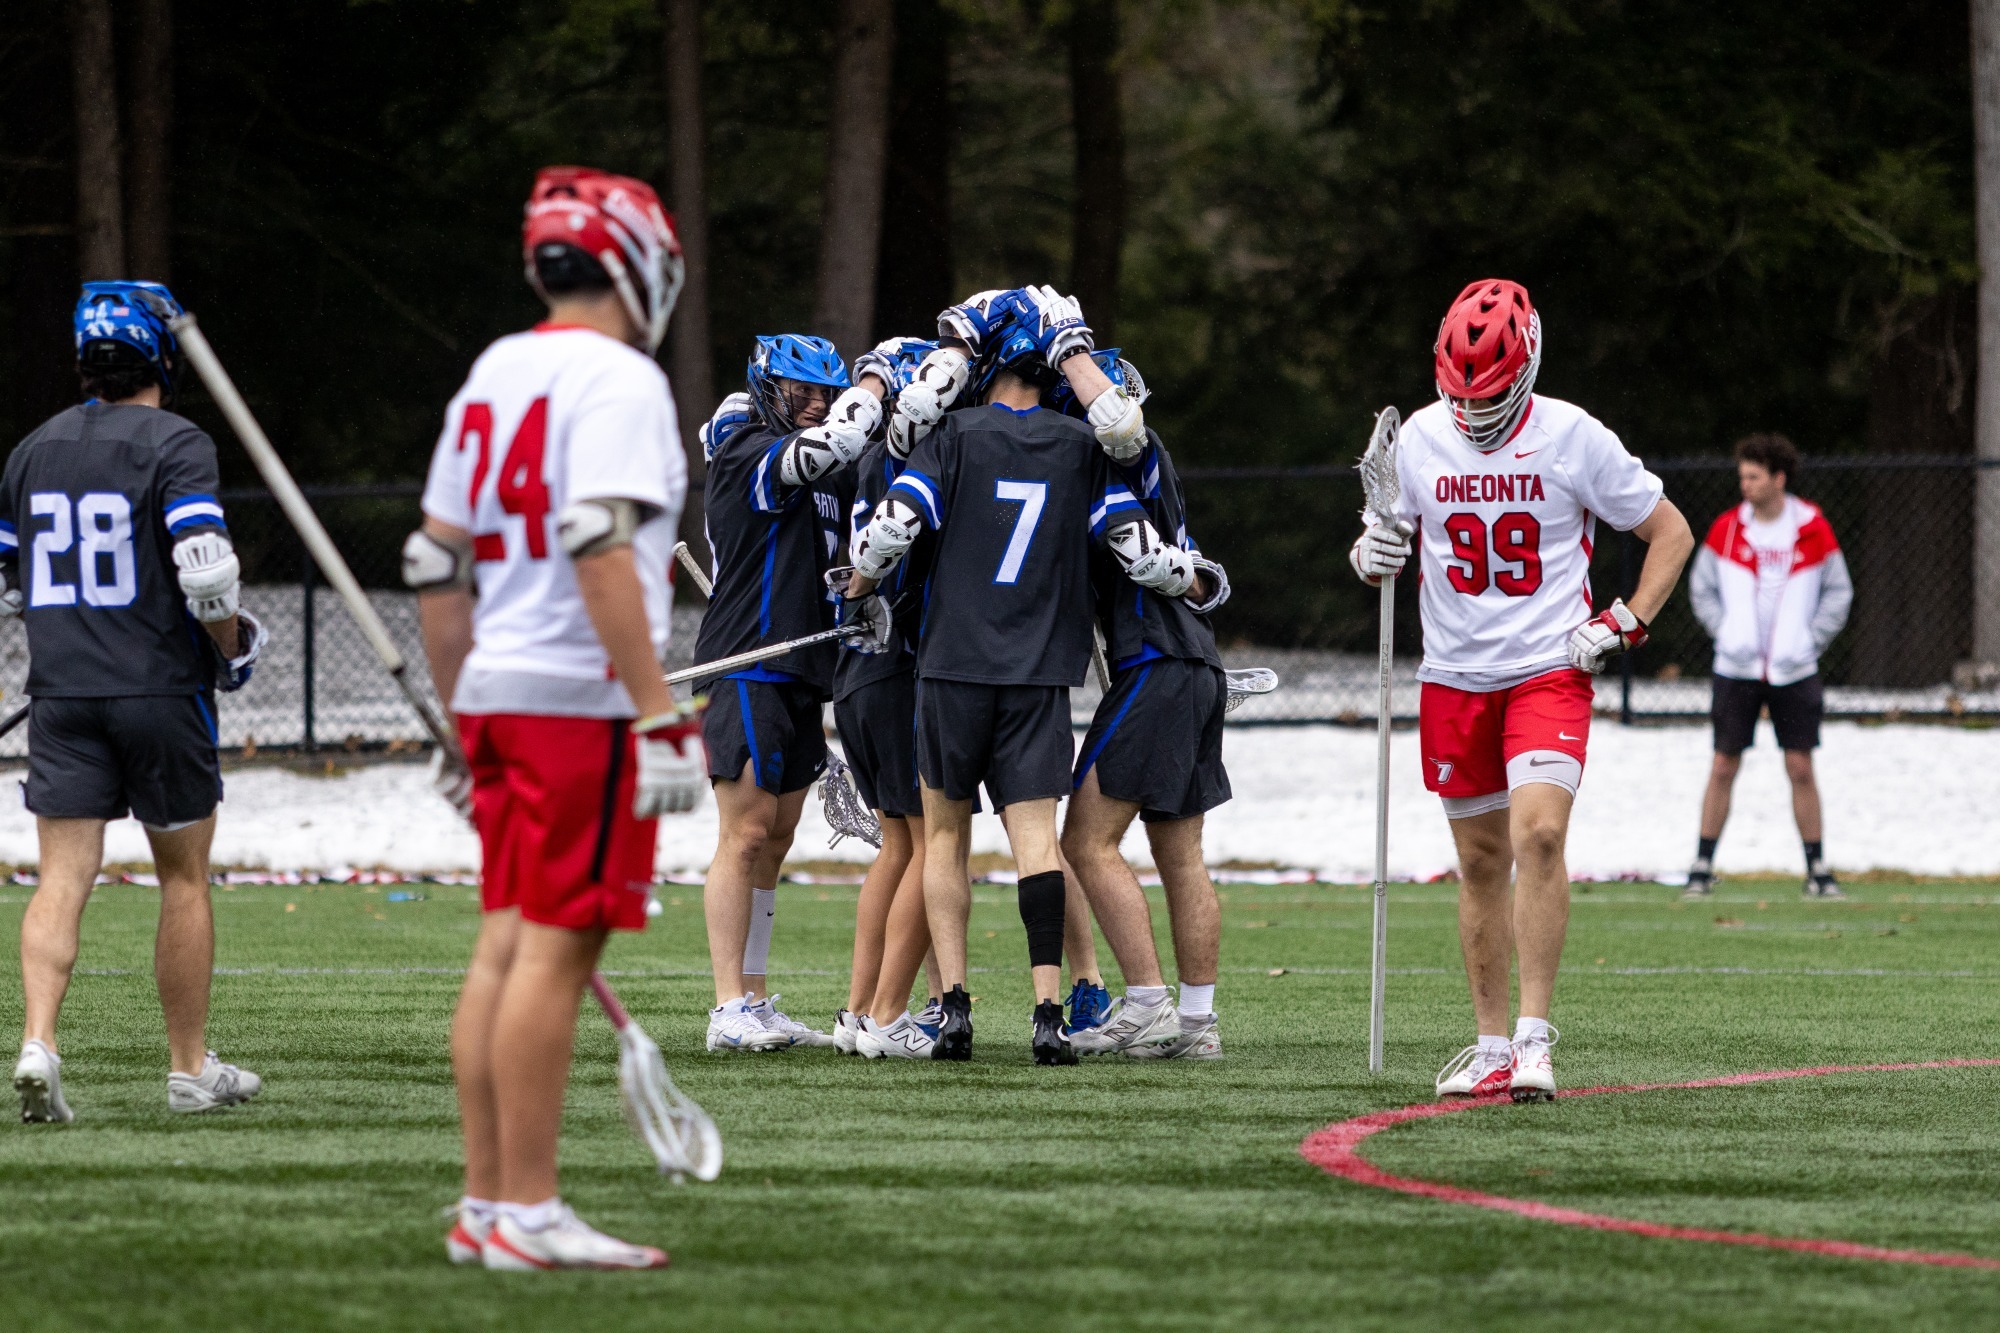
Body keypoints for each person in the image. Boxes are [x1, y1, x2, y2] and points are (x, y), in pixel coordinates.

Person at [411, 165, 701, 1270]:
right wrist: (656, 710)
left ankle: (486, 1207)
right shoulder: (620, 380)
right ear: (635, 259)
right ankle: (527, 1210)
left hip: (499, 692)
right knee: (553, 953)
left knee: (504, 946)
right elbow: (594, 540)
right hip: (579, 700)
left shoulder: (496, 367)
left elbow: (433, 558)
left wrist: (458, 710)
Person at [1348, 279, 1693, 1103]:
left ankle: (1536, 1038)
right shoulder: (1421, 439)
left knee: (1539, 835)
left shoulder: (1572, 435)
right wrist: (1372, 557)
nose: (1478, 410)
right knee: (1478, 859)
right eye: (1466, 391)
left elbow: (1669, 531)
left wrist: (1627, 620)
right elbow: (1377, 542)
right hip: (1454, 676)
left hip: (1548, 667)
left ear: (1528, 364)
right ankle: (1491, 1043)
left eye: (1493, 392)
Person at [846, 289, 1193, 1065]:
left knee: (944, 838)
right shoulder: (1081, 446)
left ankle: (957, 1005)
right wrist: (1197, 580)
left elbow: (890, 531)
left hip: (950, 665)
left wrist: (860, 590)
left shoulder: (954, 434)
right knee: (1036, 839)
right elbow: (1136, 546)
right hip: (1040, 671)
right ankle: (1046, 1009)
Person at [7, 281, 267, 1125]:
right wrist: (233, 647)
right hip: (161, 690)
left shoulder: (31, 449)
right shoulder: (176, 439)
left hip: (63, 696)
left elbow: (14, 586)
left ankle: (39, 1042)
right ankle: (189, 1069)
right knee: (182, 877)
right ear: (160, 358)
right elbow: (205, 567)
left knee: (62, 874)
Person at [693, 334, 878, 1053]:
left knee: (775, 838)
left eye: (824, 394)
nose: (816, 405)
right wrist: (874, 386)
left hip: (803, 669)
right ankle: (725, 1007)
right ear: (770, 389)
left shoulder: (833, 473)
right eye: (802, 392)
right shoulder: (748, 451)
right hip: (748, 662)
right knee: (742, 834)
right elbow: (821, 450)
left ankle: (756, 997)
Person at [1056, 348, 1232, 1061]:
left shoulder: (1129, 457)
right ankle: (1196, 1024)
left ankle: (1149, 1003)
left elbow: (1147, 556)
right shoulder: (1139, 466)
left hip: (1155, 663)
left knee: (1084, 840)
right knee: (1180, 852)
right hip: (1195, 661)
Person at [1684, 433, 1851, 900]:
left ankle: (1817, 868)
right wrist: (1727, 632)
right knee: (1723, 764)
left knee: (1800, 765)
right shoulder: (1727, 528)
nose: (1746, 486)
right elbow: (1702, 588)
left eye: (1754, 476)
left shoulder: (1813, 526)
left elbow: (1839, 591)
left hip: (1794, 670)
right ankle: (1702, 863)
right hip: (1735, 668)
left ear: (1779, 478)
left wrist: (1808, 641)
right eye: (1742, 477)